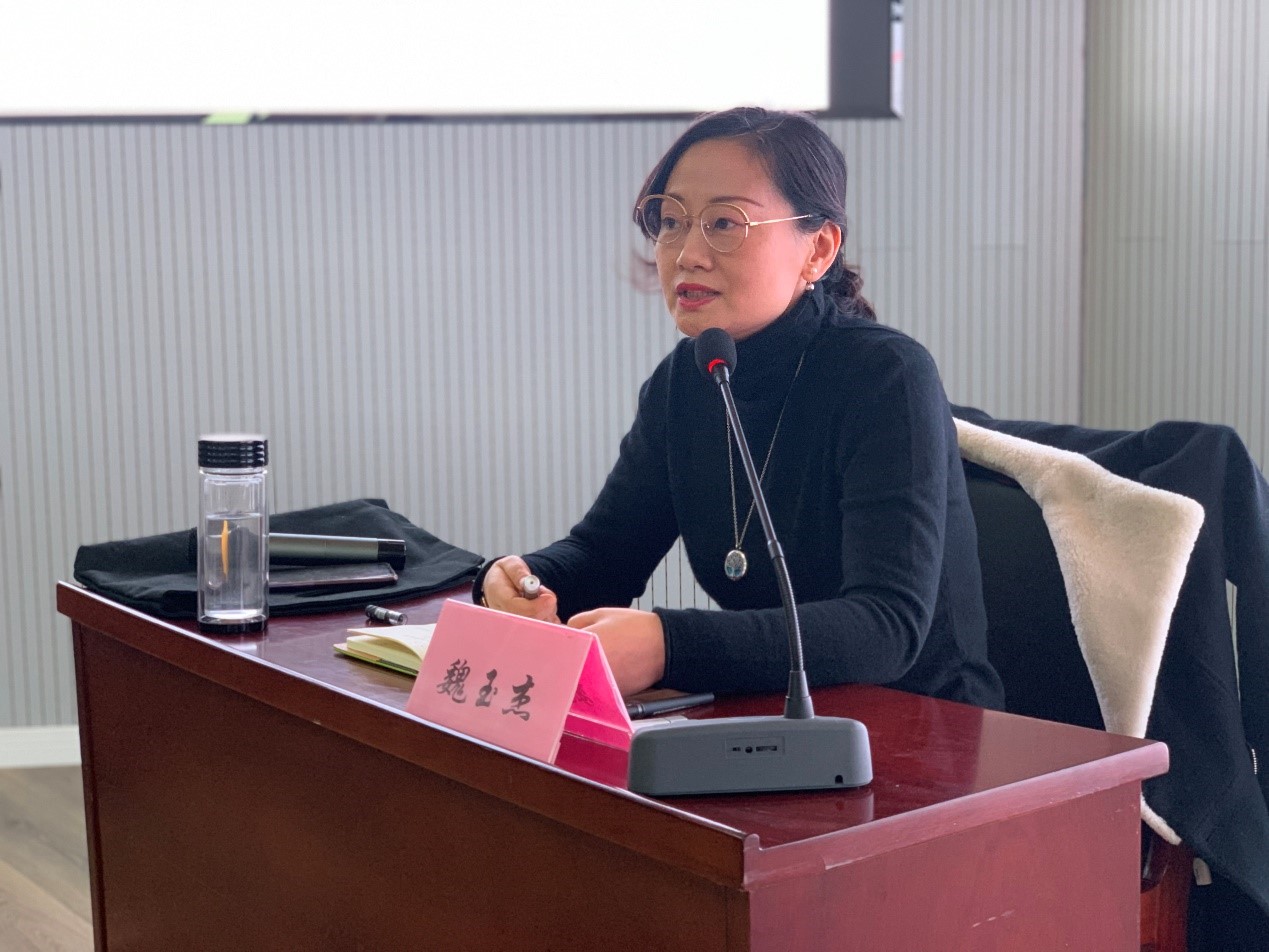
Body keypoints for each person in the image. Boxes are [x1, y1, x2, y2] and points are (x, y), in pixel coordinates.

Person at [472, 106, 1004, 709]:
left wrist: (670, 645)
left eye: (724, 222)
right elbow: (603, 557)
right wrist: (517, 580)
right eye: (671, 221)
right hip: (771, 714)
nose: (687, 253)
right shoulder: (688, 379)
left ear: (818, 249)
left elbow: (886, 627)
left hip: (925, 725)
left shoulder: (887, 376)